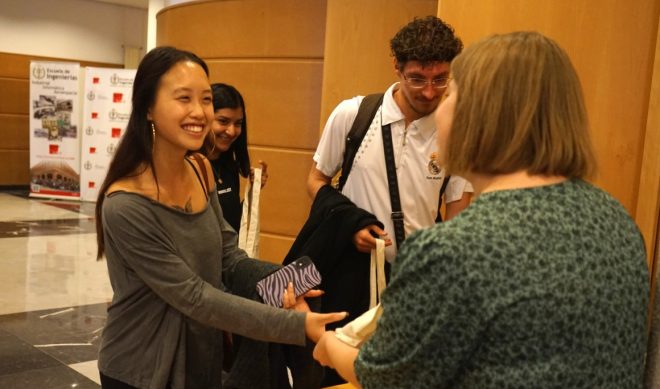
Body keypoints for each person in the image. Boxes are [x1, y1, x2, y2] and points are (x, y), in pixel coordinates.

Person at [312, 31, 650, 388]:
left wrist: (329, 344)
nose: (435, 100)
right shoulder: (617, 221)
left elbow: (389, 380)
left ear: (478, 117)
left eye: (449, 91)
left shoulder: (453, 251)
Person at [94, 46, 345, 389]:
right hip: (142, 366)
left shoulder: (200, 170)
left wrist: (286, 281)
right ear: (148, 107)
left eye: (206, 99)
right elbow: (195, 296)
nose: (199, 112)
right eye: (183, 98)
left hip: (202, 354)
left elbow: (228, 257)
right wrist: (296, 326)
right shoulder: (125, 205)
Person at [307, 16, 473, 263]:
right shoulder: (353, 115)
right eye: (417, 79)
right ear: (397, 66)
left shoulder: (457, 134)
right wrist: (349, 225)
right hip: (349, 266)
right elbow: (316, 180)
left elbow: (456, 221)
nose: (429, 92)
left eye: (440, 79)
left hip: (413, 276)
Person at [205, 83, 268, 232]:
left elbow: (232, 224)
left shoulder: (229, 165)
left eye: (238, 123)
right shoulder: (188, 166)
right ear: (205, 118)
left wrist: (253, 193)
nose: (232, 131)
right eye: (223, 121)